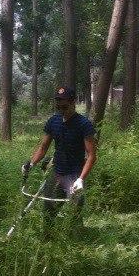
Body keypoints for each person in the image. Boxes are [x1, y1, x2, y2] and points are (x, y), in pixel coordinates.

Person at [23, 86, 97, 220]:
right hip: (57, 171)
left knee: (75, 213)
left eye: (65, 107)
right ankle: (48, 232)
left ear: (73, 103)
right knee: (48, 211)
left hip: (75, 174)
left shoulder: (84, 124)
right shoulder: (53, 121)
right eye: (58, 107)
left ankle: (75, 231)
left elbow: (91, 155)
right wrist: (31, 164)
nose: (61, 110)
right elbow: (43, 148)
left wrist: (81, 179)